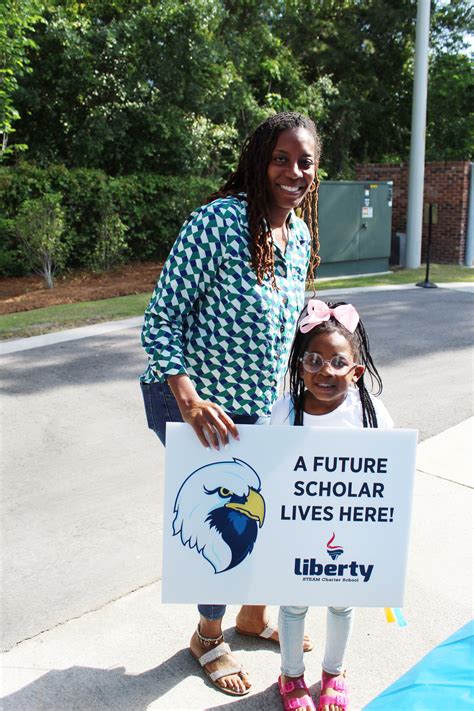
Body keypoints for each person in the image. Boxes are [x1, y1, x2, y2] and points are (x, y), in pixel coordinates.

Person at [140, 112, 322, 696]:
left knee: (270, 509)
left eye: (306, 162)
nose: (294, 172)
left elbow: (287, 325)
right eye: (281, 159)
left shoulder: (299, 235)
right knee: (224, 515)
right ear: (258, 161)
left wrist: (327, 364)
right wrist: (189, 399)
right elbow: (161, 316)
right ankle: (208, 637)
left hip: (261, 403)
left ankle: (250, 617)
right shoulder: (218, 223)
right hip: (193, 400)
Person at [271, 299, 394, 711]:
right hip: (298, 531)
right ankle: (291, 676)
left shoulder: (369, 412)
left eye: (338, 362)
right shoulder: (287, 411)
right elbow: (271, 469)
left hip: (350, 532)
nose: (326, 371)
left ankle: (333, 672)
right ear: (301, 367)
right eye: (315, 360)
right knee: (293, 604)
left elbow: (389, 474)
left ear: (356, 372)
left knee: (342, 602)